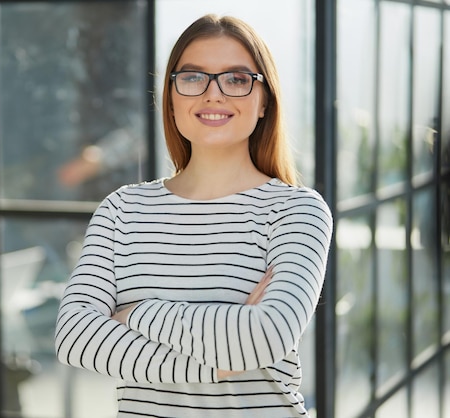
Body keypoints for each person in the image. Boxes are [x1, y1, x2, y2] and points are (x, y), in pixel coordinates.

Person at [55, 14, 333, 417]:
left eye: (236, 79)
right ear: (171, 96)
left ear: (264, 100)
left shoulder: (296, 211)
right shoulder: (122, 209)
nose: (213, 95)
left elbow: (267, 337)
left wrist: (137, 313)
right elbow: (74, 339)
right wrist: (221, 363)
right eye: (193, 78)